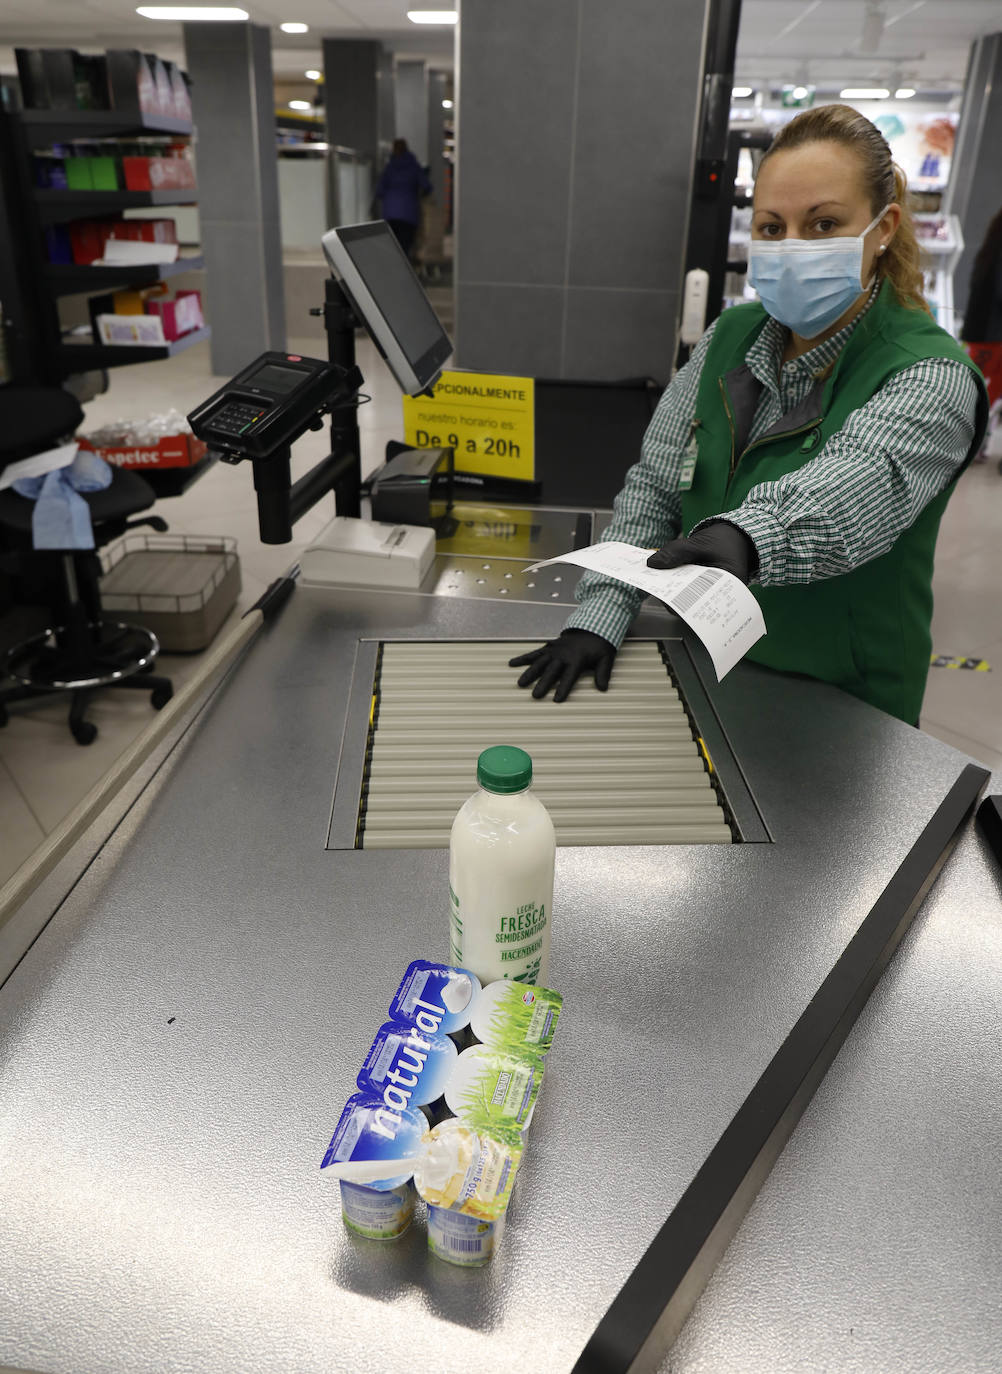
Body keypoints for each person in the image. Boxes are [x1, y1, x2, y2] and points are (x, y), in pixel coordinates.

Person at [510, 103, 988, 725]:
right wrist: (600, 615)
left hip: (843, 700)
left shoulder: (929, 375)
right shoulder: (731, 336)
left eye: (823, 225)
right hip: (708, 660)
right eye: (771, 227)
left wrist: (744, 537)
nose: (792, 248)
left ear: (885, 226)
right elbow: (657, 485)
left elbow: (856, 486)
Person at [374, 138, 432, 261]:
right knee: (405, 247)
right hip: (409, 215)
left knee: (393, 247)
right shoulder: (414, 166)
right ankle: (404, 274)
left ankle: (392, 272)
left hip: (390, 215)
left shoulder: (389, 168)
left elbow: (379, 191)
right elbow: (427, 186)